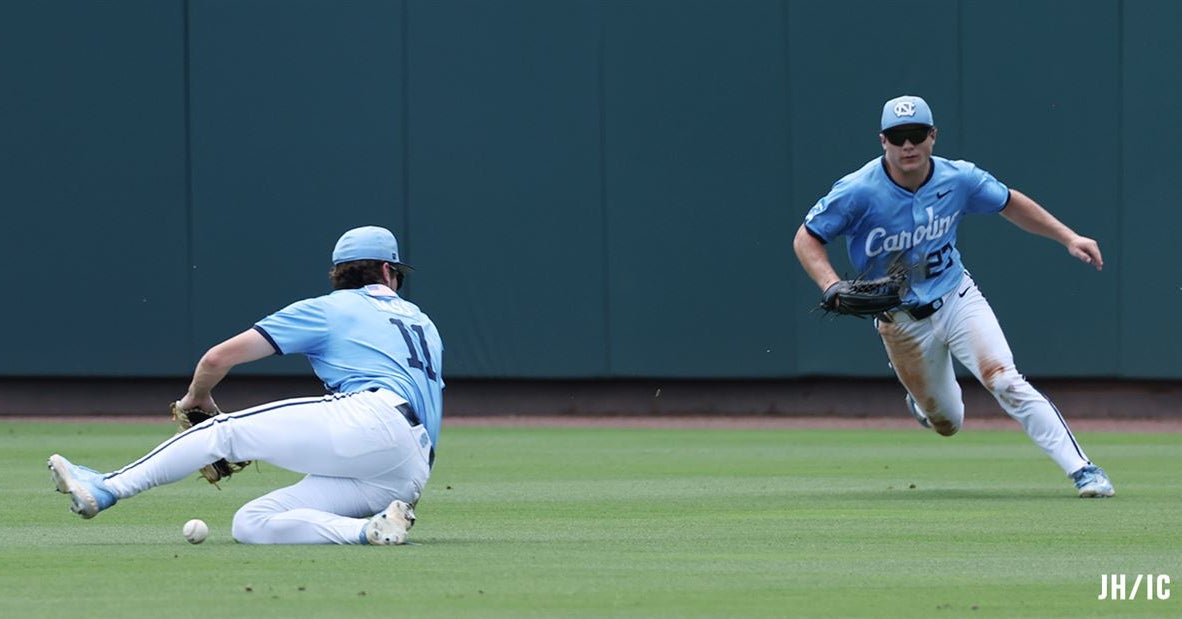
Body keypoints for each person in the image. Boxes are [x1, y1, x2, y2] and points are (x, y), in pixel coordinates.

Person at [792, 95, 1115, 498]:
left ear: (933, 136)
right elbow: (806, 238)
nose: (907, 145)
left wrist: (1068, 237)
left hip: (957, 297)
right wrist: (830, 284)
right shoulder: (857, 191)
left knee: (1005, 380)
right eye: (897, 136)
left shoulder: (959, 178)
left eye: (916, 134)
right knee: (948, 423)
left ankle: (1084, 470)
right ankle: (923, 405)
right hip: (900, 323)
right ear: (883, 141)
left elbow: (1009, 202)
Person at [48, 225, 444, 542]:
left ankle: (106, 487)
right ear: (389, 272)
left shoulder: (330, 308)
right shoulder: (424, 323)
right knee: (252, 522)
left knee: (222, 432)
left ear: (339, 274)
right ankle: (367, 530)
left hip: (373, 420)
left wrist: (196, 398)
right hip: (408, 472)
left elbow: (216, 359)